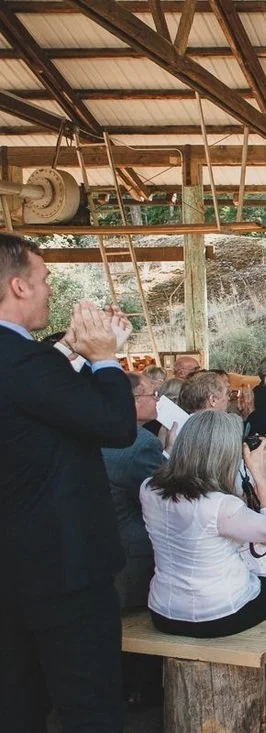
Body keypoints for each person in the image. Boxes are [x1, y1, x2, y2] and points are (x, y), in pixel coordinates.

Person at [1, 235, 137, 732]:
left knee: (15, 702)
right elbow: (117, 425)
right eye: (43, 280)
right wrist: (103, 357)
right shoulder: (24, 362)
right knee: (89, 703)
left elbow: (37, 393)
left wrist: (71, 351)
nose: (48, 290)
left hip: (9, 568)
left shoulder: (24, 363)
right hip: (64, 566)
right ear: (18, 285)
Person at [140, 410, 266, 718]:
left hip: (163, 611)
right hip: (218, 615)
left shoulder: (149, 488)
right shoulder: (220, 505)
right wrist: (259, 473)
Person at [103, 373, 166, 609]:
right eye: (153, 394)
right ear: (135, 400)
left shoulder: (95, 431)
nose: (157, 400)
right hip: (133, 552)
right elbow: (161, 498)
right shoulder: (142, 443)